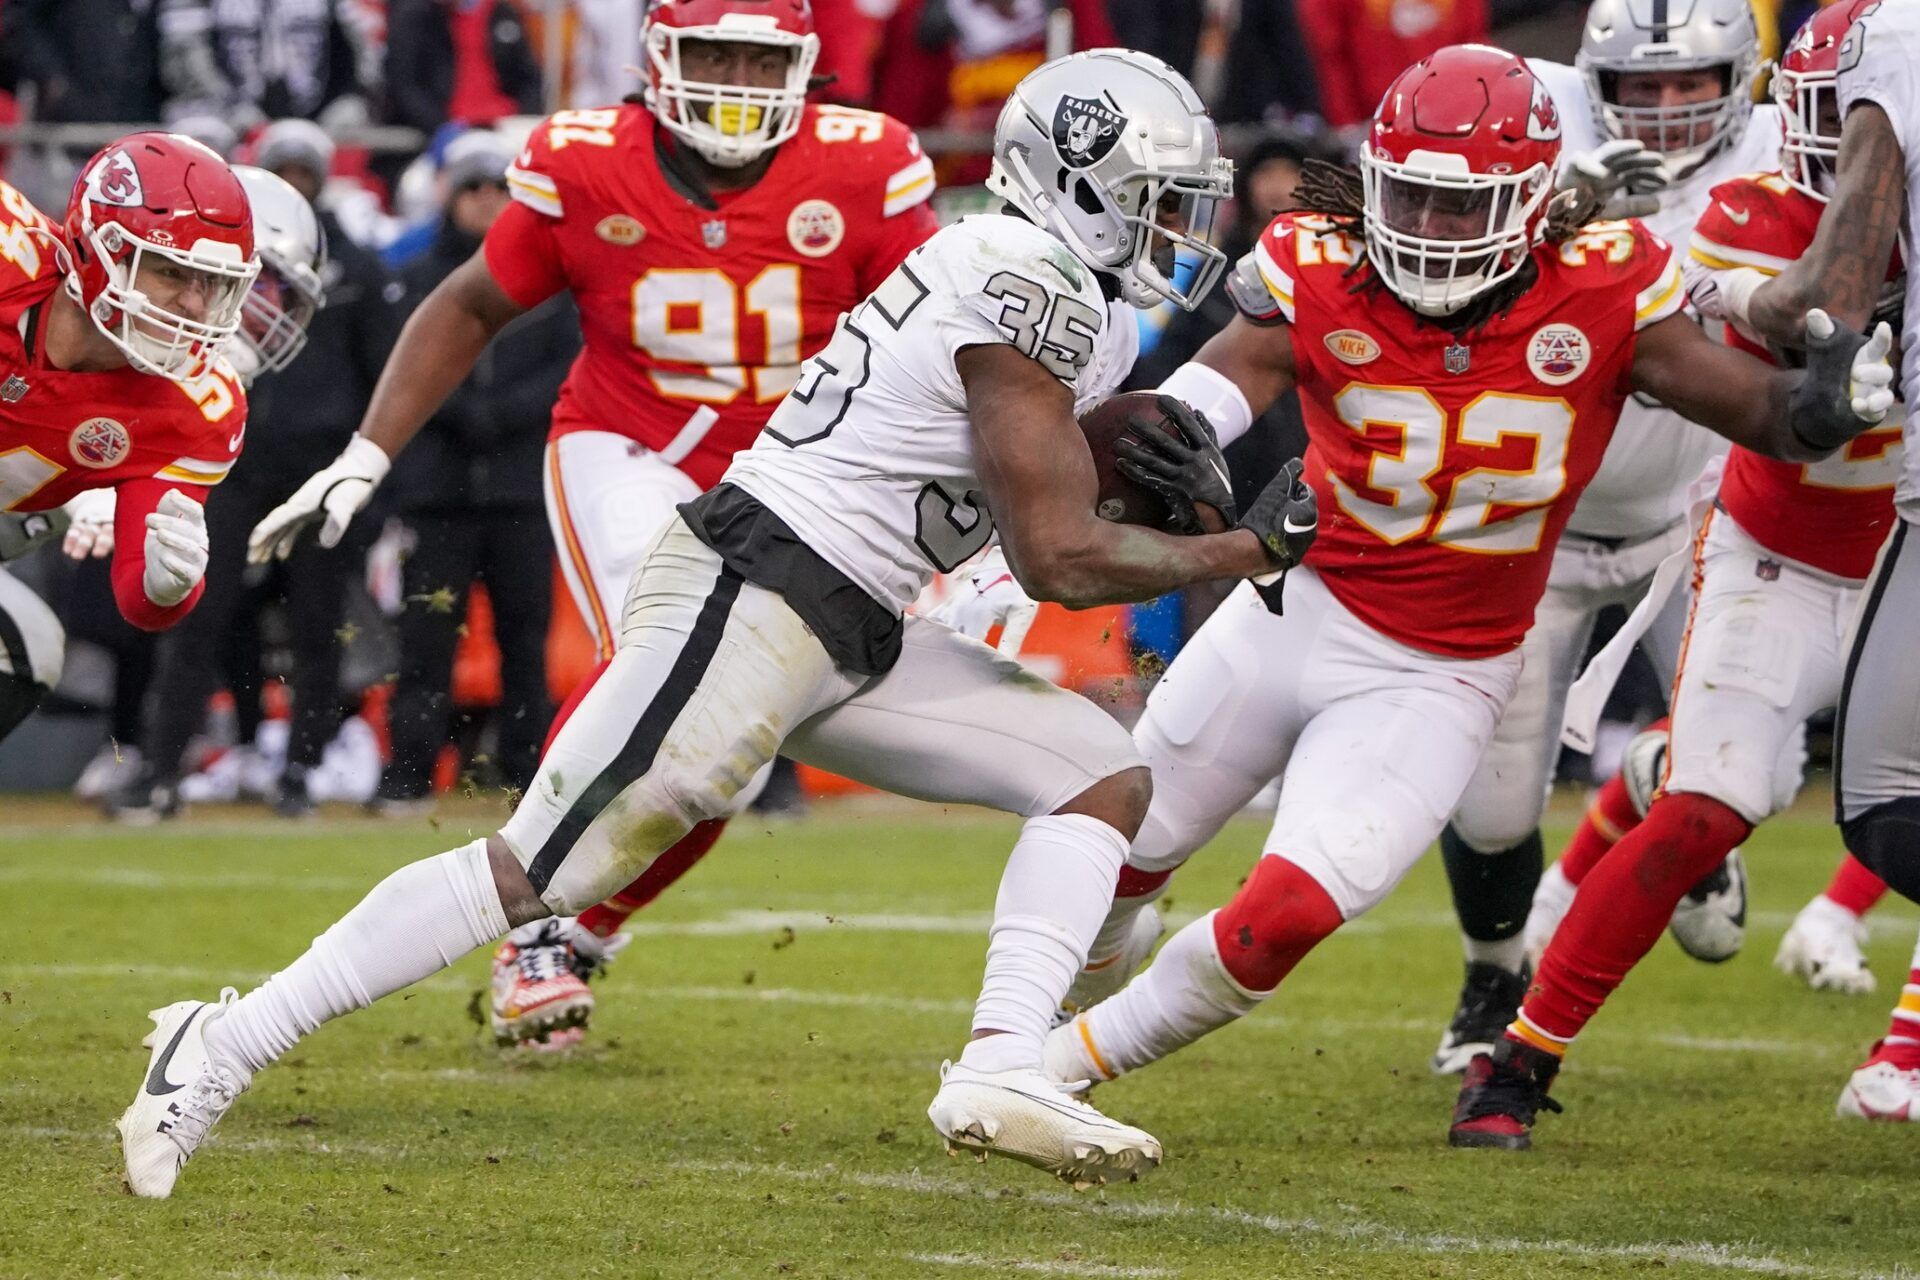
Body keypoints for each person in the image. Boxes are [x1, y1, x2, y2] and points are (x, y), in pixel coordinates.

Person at [117, 48, 1321, 1200]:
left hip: (849, 619)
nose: (1181, 228)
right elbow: (1056, 554)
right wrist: (1245, 548)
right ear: (1077, 186)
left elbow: (1042, 505)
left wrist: (1160, 482)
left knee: (1098, 776)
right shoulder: (1023, 274)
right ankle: (219, 1042)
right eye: (1156, 200)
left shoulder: (1073, 298)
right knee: (537, 869)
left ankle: (1003, 1058)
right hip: (760, 589)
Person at [1035, 44, 1892, 1160]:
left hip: (1445, 666)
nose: (1432, 226)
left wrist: (1817, 410)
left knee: (1283, 914)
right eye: (1414, 195)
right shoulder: (1321, 258)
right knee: (1118, 854)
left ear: (1532, 201)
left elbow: (1753, 408)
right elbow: (1233, 374)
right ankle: (1024, 1028)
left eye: (1464, 201)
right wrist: (1176, 419)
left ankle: (1052, 1069)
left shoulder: (1603, 279)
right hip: (1296, 609)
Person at [248, 0, 942, 1048]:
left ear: (803, 68)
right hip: (631, 447)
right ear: (660, 58)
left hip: (798, 480)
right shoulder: (586, 162)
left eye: (761, 61)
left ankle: (576, 930)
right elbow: (468, 305)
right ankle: (528, 916)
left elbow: (946, 343)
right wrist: (369, 449)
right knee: (668, 675)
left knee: (734, 755)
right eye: (715, 56)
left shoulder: (864, 165)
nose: (737, 84)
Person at [1496, 0, 1920, 1131]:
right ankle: (1518, 1058)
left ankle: (1906, 1052)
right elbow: (1761, 297)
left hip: (1906, 556)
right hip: (1778, 550)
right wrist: (1770, 311)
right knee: (1712, 806)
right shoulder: (1754, 204)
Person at [1426, 0, 1789, 1076]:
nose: (1670, 112)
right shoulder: (1527, 127)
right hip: (1536, 516)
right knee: (1489, 803)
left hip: (1712, 503)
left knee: (1747, 747)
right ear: (1596, 86)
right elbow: (1424, 289)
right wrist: (1556, 216)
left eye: (1693, 87)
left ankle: (1666, 789)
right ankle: (1495, 970)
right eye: (1644, 89)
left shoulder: (1791, 148)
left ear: (1743, 79)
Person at [108, 127, 401, 822]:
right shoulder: (218, 253)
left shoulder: (349, 265)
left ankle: (300, 769)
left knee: (317, 626)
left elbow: (381, 372)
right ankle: (160, 766)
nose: (295, 181)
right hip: (229, 457)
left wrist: (362, 469)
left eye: (306, 170)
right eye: (283, 171)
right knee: (196, 611)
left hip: (313, 464)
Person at [0, 132, 256, 747]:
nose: (193, 306)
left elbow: (142, 597)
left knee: (24, 652)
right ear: (96, 250)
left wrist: (171, 582)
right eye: (170, 271)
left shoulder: (196, 405)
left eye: (210, 283)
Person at [374, 137, 575, 808]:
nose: (485, 200)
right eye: (472, 189)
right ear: (449, 196)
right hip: (440, 493)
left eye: (498, 189)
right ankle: (409, 771)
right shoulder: (416, 276)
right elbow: (399, 364)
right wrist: (467, 411)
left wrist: (500, 411)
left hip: (518, 489)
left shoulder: (553, 280)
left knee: (526, 643)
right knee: (426, 639)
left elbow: (569, 367)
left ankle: (529, 775)